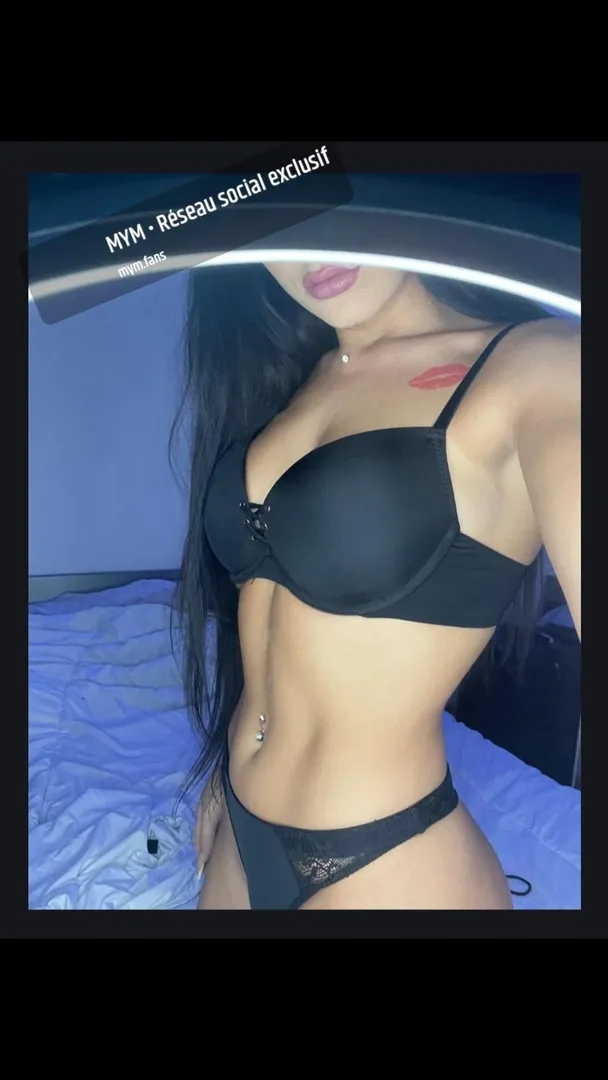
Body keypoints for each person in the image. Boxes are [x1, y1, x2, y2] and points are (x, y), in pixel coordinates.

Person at [171, 260, 580, 910]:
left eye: (332, 210)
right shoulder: (292, 378)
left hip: (388, 863)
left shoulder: (539, 366)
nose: (313, 253)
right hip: (237, 841)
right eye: (281, 225)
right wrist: (226, 765)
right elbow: (275, 622)